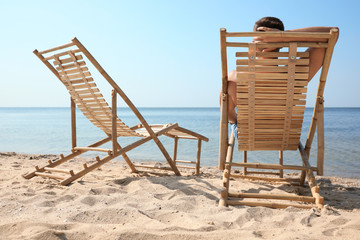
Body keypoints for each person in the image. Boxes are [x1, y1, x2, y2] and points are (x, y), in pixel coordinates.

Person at [222, 16, 339, 137]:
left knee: (230, 104)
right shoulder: (296, 74)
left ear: (253, 42)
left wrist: (234, 121)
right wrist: (284, 36)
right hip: (283, 136)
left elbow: (227, 112)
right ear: (282, 44)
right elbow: (332, 34)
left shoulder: (235, 76)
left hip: (246, 135)